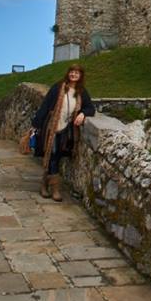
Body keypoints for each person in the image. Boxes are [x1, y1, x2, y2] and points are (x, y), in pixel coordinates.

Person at [31, 64, 95, 201]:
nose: (73, 75)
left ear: (80, 76)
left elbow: (91, 108)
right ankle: (55, 190)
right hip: (52, 127)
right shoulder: (58, 87)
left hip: (66, 129)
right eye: (72, 72)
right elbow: (46, 104)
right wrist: (36, 123)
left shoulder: (81, 92)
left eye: (77, 73)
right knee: (52, 154)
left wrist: (83, 114)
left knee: (57, 156)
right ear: (68, 73)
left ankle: (44, 184)